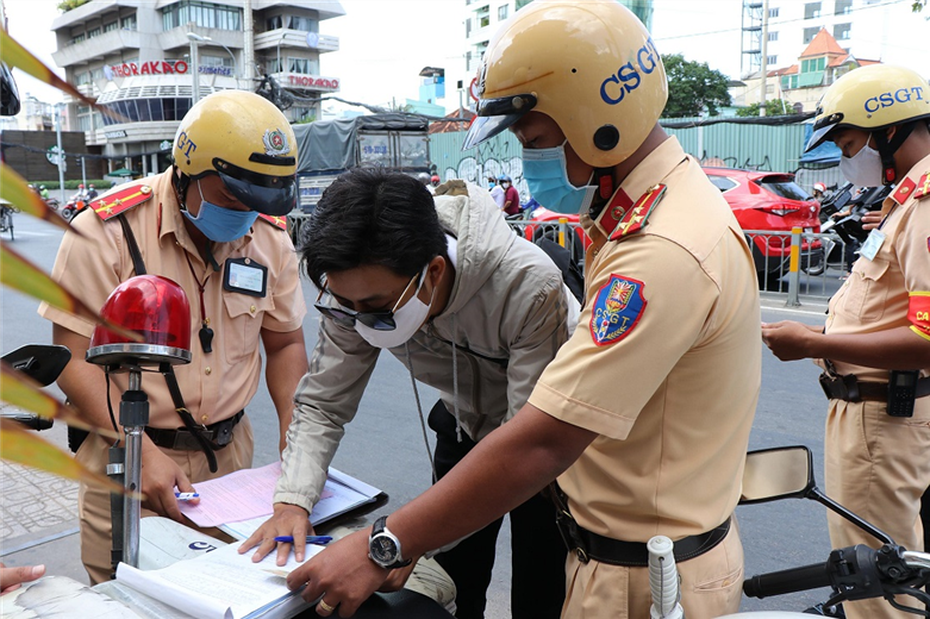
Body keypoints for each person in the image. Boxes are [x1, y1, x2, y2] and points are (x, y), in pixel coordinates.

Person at [283, 2, 760, 618]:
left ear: (597, 121)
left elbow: (539, 443)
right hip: (624, 550)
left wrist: (383, 546)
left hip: (639, 576)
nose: (529, 158)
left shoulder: (660, 251)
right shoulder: (652, 215)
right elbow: (327, 398)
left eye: (533, 139)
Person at [240, 168, 579, 619]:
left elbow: (523, 450)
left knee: (543, 583)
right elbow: (322, 404)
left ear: (433, 272)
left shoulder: (526, 285)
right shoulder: (358, 296)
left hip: (545, 443)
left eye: (377, 310)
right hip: (463, 423)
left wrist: (399, 539)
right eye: (348, 305)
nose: (361, 320)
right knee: (452, 581)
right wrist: (292, 501)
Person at [38, 90, 309, 585]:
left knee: (228, 594)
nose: (245, 214)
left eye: (258, 203)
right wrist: (140, 452)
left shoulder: (270, 238)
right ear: (187, 170)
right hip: (127, 459)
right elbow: (70, 359)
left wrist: (298, 447)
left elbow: (286, 344)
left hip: (231, 469)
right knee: (129, 599)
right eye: (232, 198)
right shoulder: (106, 232)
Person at [762, 64, 930, 619]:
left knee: (876, 585)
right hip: (874, 412)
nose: (845, 156)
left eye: (851, 141)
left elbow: (927, 339)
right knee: (881, 569)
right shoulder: (905, 201)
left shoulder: (925, 202)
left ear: (890, 132)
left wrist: (812, 342)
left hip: (883, 418)